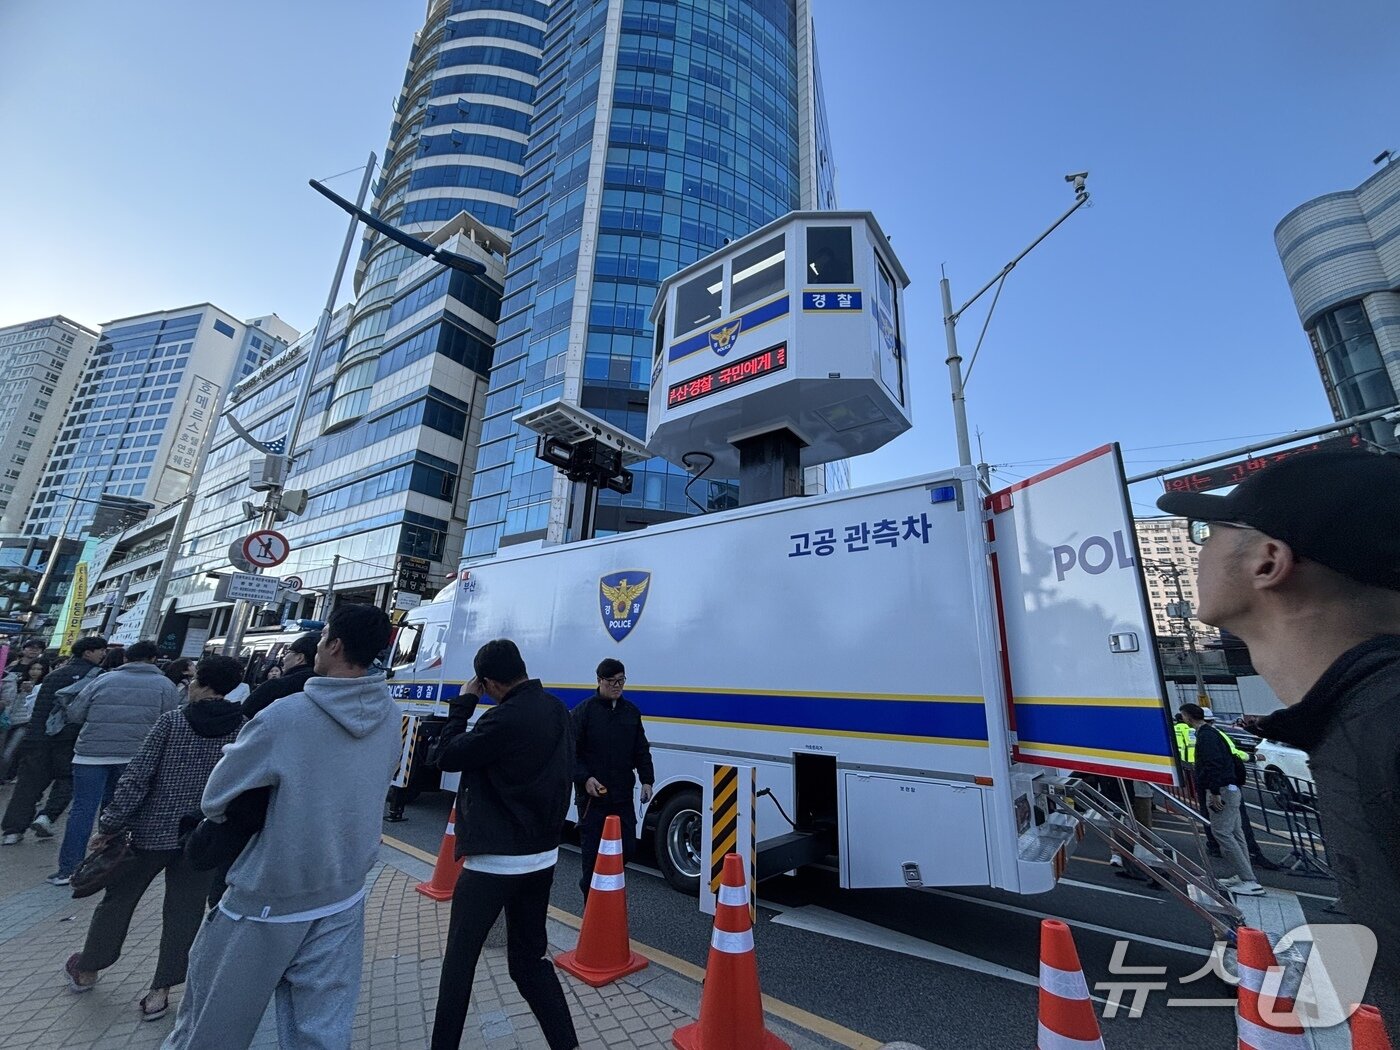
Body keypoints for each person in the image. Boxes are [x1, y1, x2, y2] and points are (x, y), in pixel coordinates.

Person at [1159, 449, 1400, 1038]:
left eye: (1210, 532)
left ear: (1269, 562)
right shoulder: (1358, 717)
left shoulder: (1385, 729)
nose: (1198, 548)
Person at [160, 603, 399, 1050]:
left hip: (268, 895)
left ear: (334, 644)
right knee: (320, 1029)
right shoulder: (388, 713)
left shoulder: (286, 715)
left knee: (213, 1022)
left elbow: (217, 799)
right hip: (344, 890)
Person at [63, 655, 245, 1020]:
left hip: (150, 832)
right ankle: (161, 991)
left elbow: (137, 778)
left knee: (118, 900)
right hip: (202, 837)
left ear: (203, 684)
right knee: (186, 911)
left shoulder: (173, 722)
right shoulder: (242, 728)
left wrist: (110, 824)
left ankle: (88, 968)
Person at [429, 639, 578, 1050]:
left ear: (490, 682)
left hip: (493, 864)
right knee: (530, 962)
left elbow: (446, 756)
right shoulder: (557, 710)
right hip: (542, 857)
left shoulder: (501, 720)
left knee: (459, 963)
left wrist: (462, 704)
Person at [1, 635, 108, 846]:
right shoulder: (98, 678)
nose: (103, 654)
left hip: (38, 737)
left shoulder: (53, 676)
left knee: (28, 784)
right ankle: (47, 816)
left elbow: (39, 708)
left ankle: (12, 831)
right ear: (88, 652)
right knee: (67, 779)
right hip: (71, 738)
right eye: (100, 650)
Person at [570, 657, 654, 897]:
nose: (617, 686)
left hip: (623, 796)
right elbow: (571, 753)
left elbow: (641, 749)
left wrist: (647, 780)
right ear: (599, 681)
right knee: (592, 856)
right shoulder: (583, 712)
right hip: (592, 800)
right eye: (612, 681)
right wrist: (585, 779)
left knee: (626, 848)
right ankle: (590, 907)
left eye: (621, 681)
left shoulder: (631, 713)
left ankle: (609, 899)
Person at [1179, 703, 1264, 895]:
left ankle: (1249, 880)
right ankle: (1245, 875)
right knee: (1235, 833)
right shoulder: (1213, 733)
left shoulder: (1206, 736)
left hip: (1223, 790)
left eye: (1184, 715)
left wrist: (1214, 791)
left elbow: (1213, 763)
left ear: (1188, 717)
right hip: (1231, 787)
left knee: (1222, 832)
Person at [241, 632, 318, 720]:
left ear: (299, 658)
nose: (284, 658)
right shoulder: (324, 685)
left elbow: (242, 718)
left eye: (288, 652)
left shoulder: (275, 687)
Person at [1, 658, 49, 783]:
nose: (35, 672)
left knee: (9, 752)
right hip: (9, 720)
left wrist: (33, 691)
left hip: (25, 722)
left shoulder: (45, 686)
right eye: (33, 668)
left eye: (39, 669)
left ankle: (3, 777)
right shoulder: (16, 682)